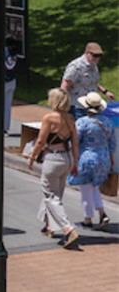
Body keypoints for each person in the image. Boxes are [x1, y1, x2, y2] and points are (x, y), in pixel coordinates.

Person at [28, 87, 80, 247]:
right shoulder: (71, 118)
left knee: (51, 195)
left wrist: (32, 157)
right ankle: (49, 224)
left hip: (53, 158)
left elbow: (40, 141)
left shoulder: (49, 118)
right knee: (57, 193)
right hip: (67, 157)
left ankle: (67, 228)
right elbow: (75, 142)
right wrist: (75, 162)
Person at [67, 92, 116, 229]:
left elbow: (75, 142)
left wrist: (73, 160)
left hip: (86, 158)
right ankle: (102, 213)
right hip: (104, 158)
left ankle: (88, 218)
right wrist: (111, 159)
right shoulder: (108, 122)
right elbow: (112, 144)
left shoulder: (82, 123)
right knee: (94, 186)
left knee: (85, 189)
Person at [61, 42, 114, 116]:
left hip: (91, 106)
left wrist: (105, 92)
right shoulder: (76, 66)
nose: (97, 58)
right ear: (87, 53)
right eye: (95, 55)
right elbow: (64, 86)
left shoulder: (93, 65)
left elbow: (91, 83)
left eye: (99, 56)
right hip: (77, 107)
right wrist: (63, 104)